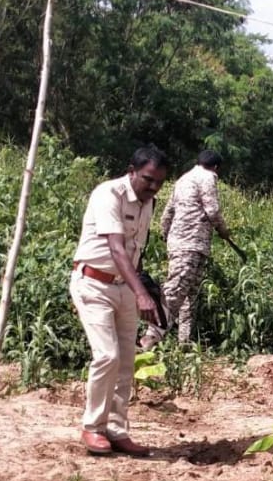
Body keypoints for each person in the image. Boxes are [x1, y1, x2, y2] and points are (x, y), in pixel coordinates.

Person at [70, 144, 170, 456]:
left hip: (124, 286)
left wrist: (144, 289)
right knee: (107, 356)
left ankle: (116, 429)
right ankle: (93, 427)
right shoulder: (108, 194)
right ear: (131, 171)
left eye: (159, 182)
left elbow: (135, 250)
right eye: (148, 179)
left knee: (126, 360)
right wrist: (141, 294)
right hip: (94, 284)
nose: (153, 187)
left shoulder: (148, 202)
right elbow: (116, 247)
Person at [139, 150, 233, 349]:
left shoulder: (183, 180)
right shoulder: (208, 177)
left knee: (189, 294)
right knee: (176, 290)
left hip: (181, 243)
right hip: (191, 243)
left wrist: (167, 235)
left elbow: (168, 212)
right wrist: (223, 231)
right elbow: (212, 210)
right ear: (216, 167)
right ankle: (150, 337)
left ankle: (185, 343)